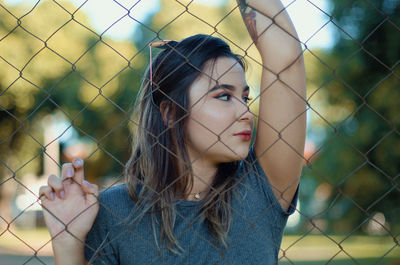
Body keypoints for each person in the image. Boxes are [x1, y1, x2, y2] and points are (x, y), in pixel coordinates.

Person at [39, 0, 306, 264]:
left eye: (245, 98)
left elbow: (286, 57)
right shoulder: (115, 211)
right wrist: (67, 240)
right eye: (224, 96)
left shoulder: (260, 189)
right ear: (170, 112)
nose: (246, 113)